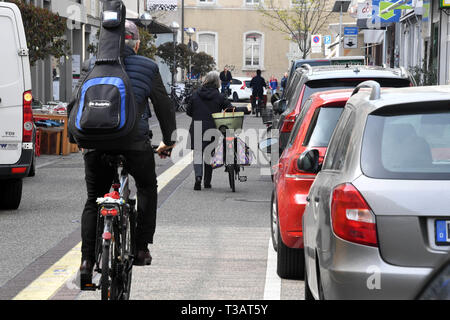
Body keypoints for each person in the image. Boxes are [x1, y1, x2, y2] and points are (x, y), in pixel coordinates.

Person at [78, 20, 176, 286]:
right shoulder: (148, 67)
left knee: (92, 199)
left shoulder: (92, 65)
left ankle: (86, 262)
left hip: (95, 144)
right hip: (134, 144)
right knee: (146, 186)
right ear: (136, 43)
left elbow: (78, 103)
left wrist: (78, 139)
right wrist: (168, 141)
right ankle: (142, 247)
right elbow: (164, 107)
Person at [186, 71, 251, 191]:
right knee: (209, 153)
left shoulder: (195, 94)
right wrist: (245, 109)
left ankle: (198, 178)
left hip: (196, 126)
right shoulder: (219, 96)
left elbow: (188, 111)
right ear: (217, 82)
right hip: (212, 127)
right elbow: (231, 109)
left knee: (198, 154)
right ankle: (207, 182)